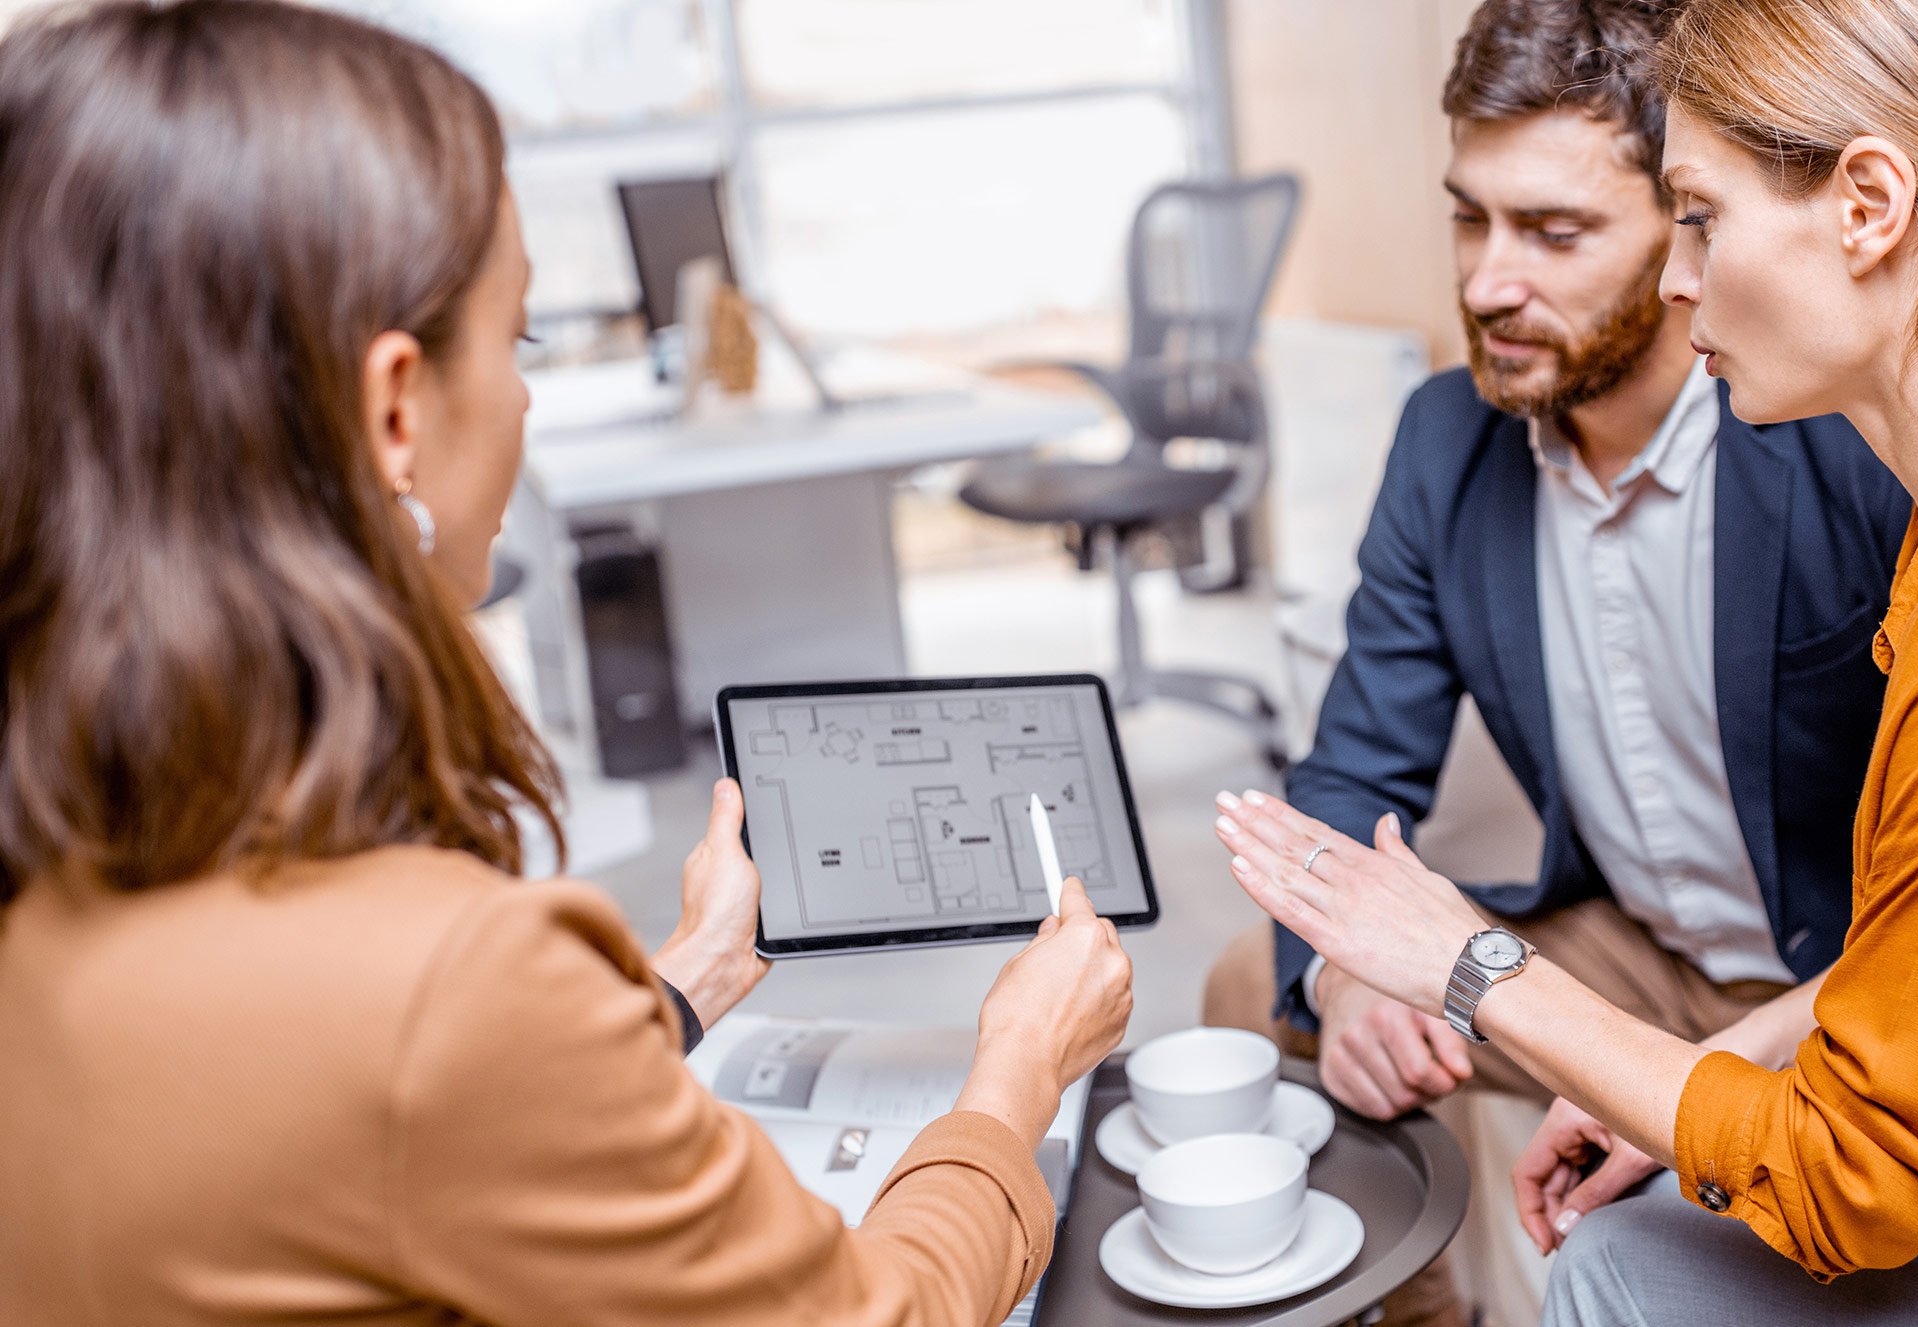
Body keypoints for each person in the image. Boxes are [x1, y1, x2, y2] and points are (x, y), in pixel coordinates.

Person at [1216, 0, 1918, 1321]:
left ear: (1870, 206)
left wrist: (1474, 965)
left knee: (1618, 1266)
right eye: (1470, 219)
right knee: (1337, 1027)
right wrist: (1405, 970)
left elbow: (1852, 1180)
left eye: (1696, 218)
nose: (1681, 278)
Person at [0, 5, 1132, 1325]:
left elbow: (375, 1140)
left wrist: (677, 989)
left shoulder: (70, 860)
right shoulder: (452, 986)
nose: (525, 396)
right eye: (517, 337)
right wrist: (1016, 1072)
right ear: (395, 410)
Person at [1201, 2, 1908, 1318]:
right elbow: (1352, 774)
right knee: (1261, 982)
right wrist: (1355, 977)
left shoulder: (1834, 427)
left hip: (1851, 984)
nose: (1484, 281)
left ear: (1684, 227)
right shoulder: (1445, 442)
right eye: (1472, 217)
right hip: (1639, 952)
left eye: (1555, 232)